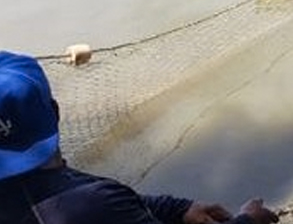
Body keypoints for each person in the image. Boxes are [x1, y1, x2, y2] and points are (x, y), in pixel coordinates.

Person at [0, 50, 278, 224]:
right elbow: (99, 207)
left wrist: (176, 209)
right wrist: (247, 221)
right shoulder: (91, 205)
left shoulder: (50, 186)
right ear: (55, 112)